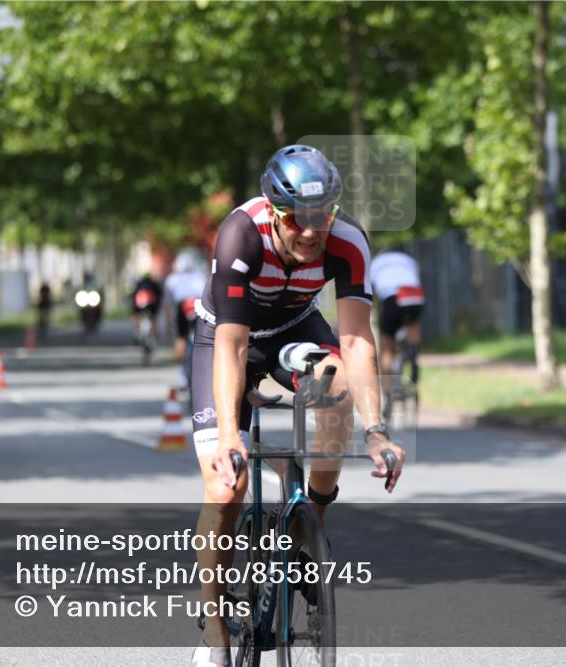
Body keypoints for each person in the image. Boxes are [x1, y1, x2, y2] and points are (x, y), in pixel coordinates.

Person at [189, 145, 405, 666]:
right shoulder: (242, 233)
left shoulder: (348, 241)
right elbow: (232, 345)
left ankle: (308, 528)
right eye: (297, 219)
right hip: (226, 337)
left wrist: (376, 430)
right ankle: (215, 628)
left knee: (337, 385)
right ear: (273, 211)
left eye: (322, 216)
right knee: (226, 487)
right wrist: (229, 437)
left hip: (293, 329)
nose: (310, 231)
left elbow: (356, 339)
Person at [370, 247, 425, 411]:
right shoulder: (408, 260)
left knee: (387, 346)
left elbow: (371, 293)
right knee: (412, 323)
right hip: (413, 293)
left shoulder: (375, 263)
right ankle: (413, 351)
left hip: (390, 297)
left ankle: (388, 393)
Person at [163, 247, 208, 388]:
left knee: (180, 339)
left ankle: (181, 376)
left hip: (181, 308)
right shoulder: (200, 277)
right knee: (204, 339)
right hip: (197, 307)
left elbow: (168, 305)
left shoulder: (172, 280)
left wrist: (168, 324)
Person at [130, 272, 162, 343]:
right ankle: (154, 333)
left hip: (139, 304)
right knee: (153, 318)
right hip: (152, 304)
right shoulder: (154, 284)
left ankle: (137, 332)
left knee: (136, 316)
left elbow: (134, 295)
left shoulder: (139, 284)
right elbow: (159, 294)